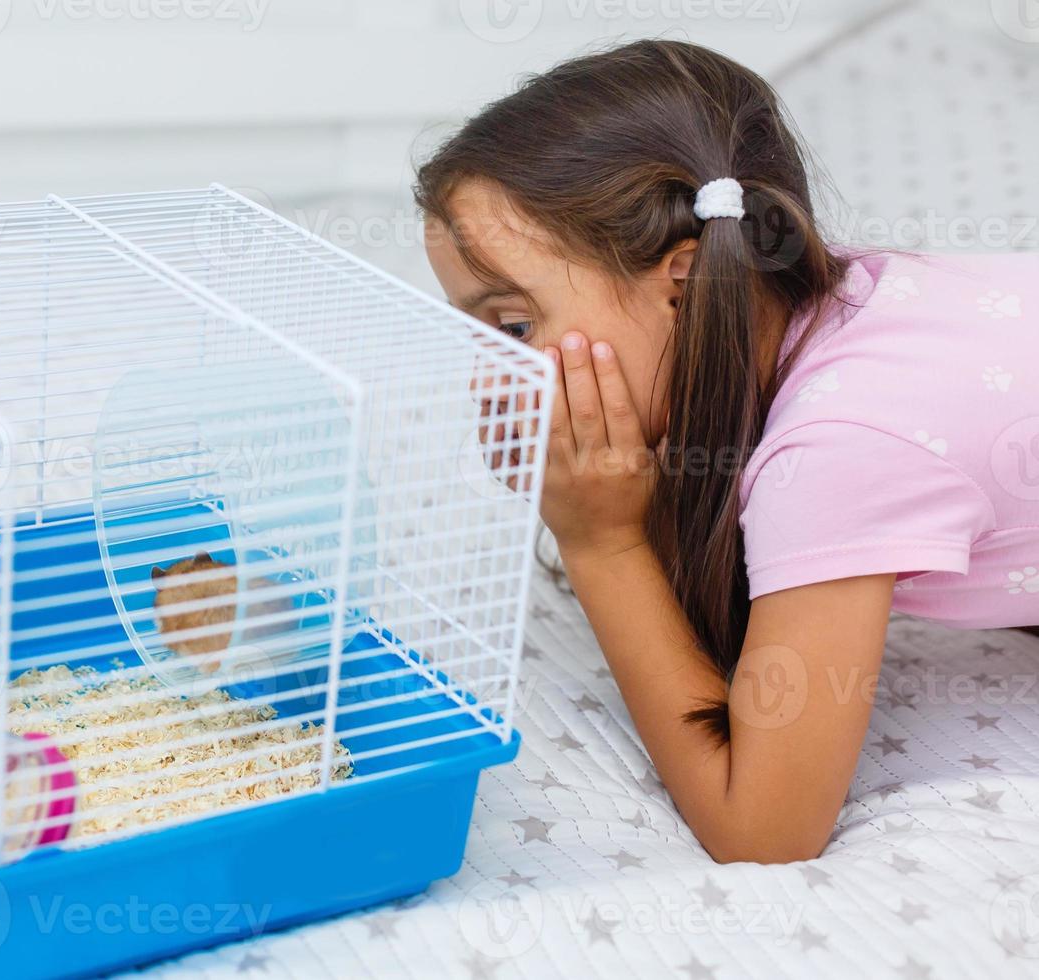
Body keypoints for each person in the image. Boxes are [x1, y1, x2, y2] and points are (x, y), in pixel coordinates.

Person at [416, 39, 1039, 863]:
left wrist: (603, 541)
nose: (487, 378)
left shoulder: (836, 453)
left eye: (515, 328)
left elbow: (765, 830)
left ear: (681, 285)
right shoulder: (820, 310)